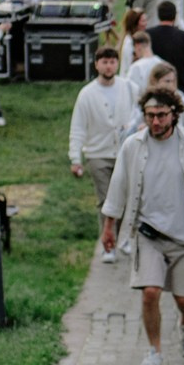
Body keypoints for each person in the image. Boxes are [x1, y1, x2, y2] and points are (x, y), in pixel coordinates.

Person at [101, 86, 184, 365]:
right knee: (150, 293)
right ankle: (155, 352)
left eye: (161, 115)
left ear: (174, 114)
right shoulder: (133, 146)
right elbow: (117, 188)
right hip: (149, 234)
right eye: (150, 115)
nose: (155, 121)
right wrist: (108, 227)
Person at [69, 45, 136, 257]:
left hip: (124, 152)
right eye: (104, 62)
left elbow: (141, 112)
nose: (109, 66)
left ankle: (124, 237)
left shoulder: (129, 87)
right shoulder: (87, 94)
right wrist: (75, 158)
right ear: (97, 64)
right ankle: (108, 244)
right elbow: (78, 127)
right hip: (98, 153)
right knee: (106, 200)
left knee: (126, 197)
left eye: (112, 62)